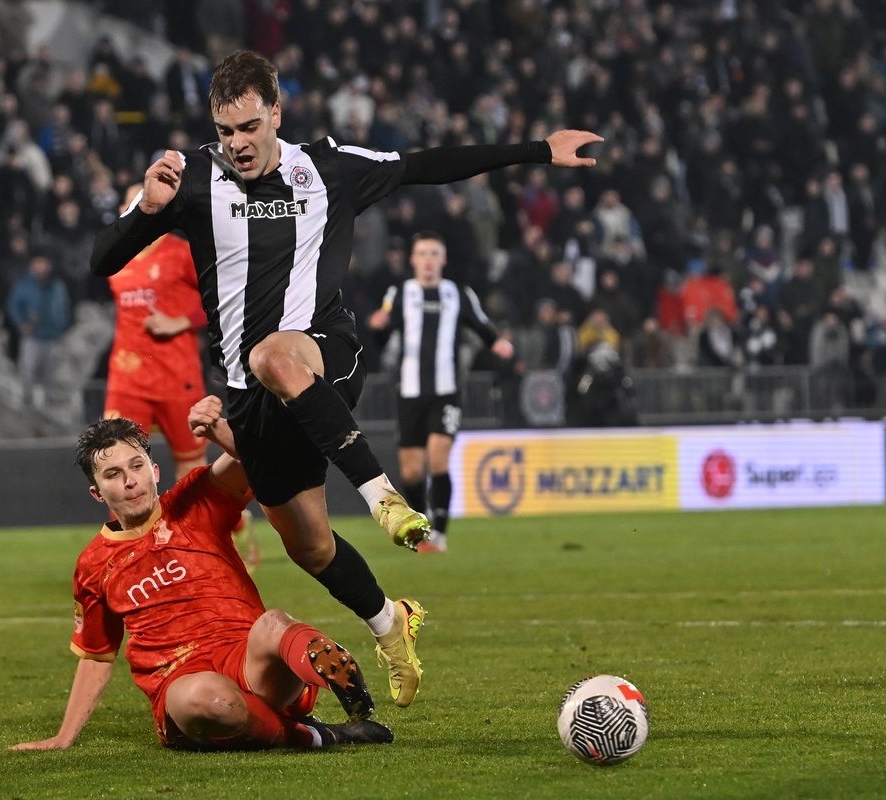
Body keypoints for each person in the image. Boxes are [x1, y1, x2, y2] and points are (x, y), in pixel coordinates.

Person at [90, 50, 601, 706]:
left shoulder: (328, 167)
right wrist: (146, 212)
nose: (238, 144)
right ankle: (393, 622)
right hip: (255, 401)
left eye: (249, 127)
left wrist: (536, 151)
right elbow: (104, 260)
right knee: (309, 546)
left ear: (276, 112)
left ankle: (385, 497)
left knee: (271, 355)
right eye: (225, 131)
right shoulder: (188, 179)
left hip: (323, 353)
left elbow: (423, 165)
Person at [12, 406, 393, 752]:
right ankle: (318, 734)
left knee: (274, 623)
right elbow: (97, 655)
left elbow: (259, 454)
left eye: (137, 465)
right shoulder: (94, 564)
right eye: (114, 474)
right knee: (206, 701)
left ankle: (352, 693)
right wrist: (64, 738)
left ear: (154, 470)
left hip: (250, 661)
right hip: (181, 681)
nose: (130, 481)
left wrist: (218, 430)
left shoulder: (194, 500)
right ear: (97, 493)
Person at [105, 183, 259, 570]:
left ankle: (232, 530)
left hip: (177, 376)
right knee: (113, 460)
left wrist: (179, 320)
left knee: (192, 473)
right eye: (131, 201)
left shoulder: (179, 251)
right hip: (127, 378)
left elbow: (221, 297)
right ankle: (126, 557)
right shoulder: (114, 255)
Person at [367, 231, 515, 554]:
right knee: (411, 470)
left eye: (435, 253)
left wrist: (497, 343)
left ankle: (441, 534)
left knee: (438, 459)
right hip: (409, 392)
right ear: (413, 259)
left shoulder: (456, 293)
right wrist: (377, 327)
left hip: (446, 391)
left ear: (443, 260)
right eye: (423, 253)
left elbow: (479, 323)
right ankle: (420, 532)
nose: (429, 259)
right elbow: (383, 332)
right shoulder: (401, 292)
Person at [7, 253, 72, 406]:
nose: (40, 267)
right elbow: (13, 306)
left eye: (43, 263)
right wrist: (22, 323)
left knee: (52, 374)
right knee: (27, 371)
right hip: (33, 337)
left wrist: (62, 327)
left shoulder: (57, 285)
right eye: (37, 263)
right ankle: (26, 402)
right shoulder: (24, 284)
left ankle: (49, 405)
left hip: (53, 337)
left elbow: (64, 308)